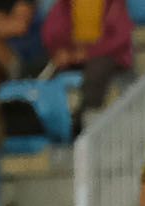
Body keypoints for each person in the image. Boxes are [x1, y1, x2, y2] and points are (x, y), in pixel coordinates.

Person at [40, 0, 131, 132]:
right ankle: (53, 124)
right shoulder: (65, 4)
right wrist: (60, 51)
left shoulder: (114, 4)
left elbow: (120, 37)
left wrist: (88, 53)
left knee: (97, 70)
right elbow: (50, 30)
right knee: (50, 78)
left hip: (107, 55)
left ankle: (87, 120)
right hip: (74, 54)